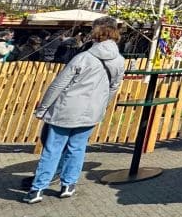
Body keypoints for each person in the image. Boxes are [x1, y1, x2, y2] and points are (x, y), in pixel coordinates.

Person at [22, 16, 125, 203]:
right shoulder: (119, 60)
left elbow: (59, 84)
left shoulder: (84, 57)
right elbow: (114, 87)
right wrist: (102, 105)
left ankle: (38, 188)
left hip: (66, 108)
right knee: (77, 149)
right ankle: (68, 185)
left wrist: (43, 107)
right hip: (92, 111)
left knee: (53, 149)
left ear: (95, 34)